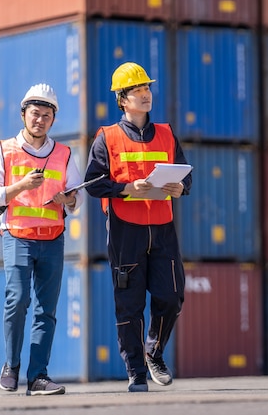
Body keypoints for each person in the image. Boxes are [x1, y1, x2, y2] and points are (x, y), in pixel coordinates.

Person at [84, 62, 192, 392]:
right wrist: (126, 189)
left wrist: (180, 188)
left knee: (172, 297)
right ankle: (137, 372)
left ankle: (154, 352)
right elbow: (92, 183)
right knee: (129, 305)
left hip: (162, 229)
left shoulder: (167, 133)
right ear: (122, 99)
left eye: (147, 89)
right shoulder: (107, 138)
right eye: (137, 91)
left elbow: (186, 177)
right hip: (125, 231)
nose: (145, 95)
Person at [0, 83, 84, 396]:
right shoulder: (3, 151)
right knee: (17, 300)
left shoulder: (65, 154)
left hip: (53, 239)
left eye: (46, 115)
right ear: (24, 114)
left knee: (47, 310)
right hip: (17, 236)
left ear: (54, 119)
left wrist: (67, 200)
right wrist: (20, 186)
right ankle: (11, 366)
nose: (40, 119)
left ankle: (38, 376)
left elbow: (78, 197)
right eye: (35, 113)